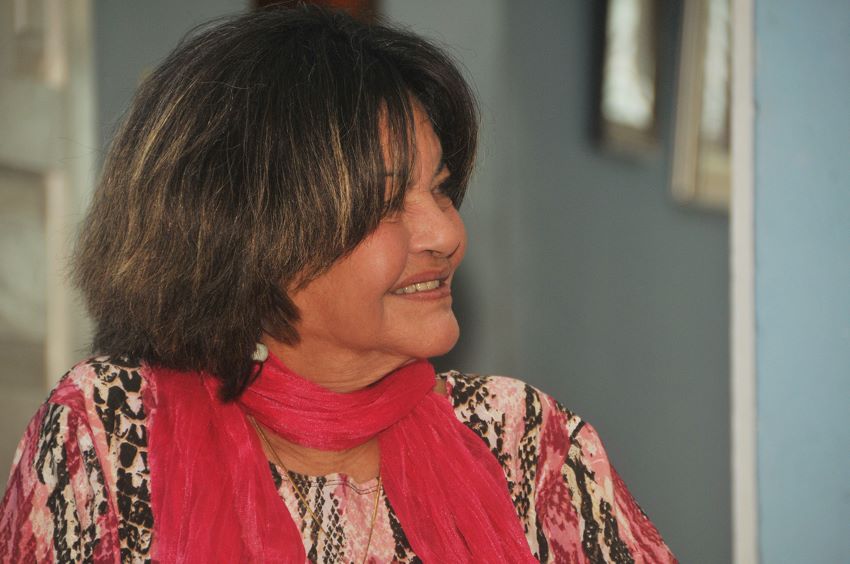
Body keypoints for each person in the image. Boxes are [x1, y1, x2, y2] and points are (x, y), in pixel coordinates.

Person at [0, 6, 675, 563]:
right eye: (386, 204)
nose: (445, 233)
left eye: (441, 189)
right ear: (250, 235)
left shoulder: (522, 443)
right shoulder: (110, 435)